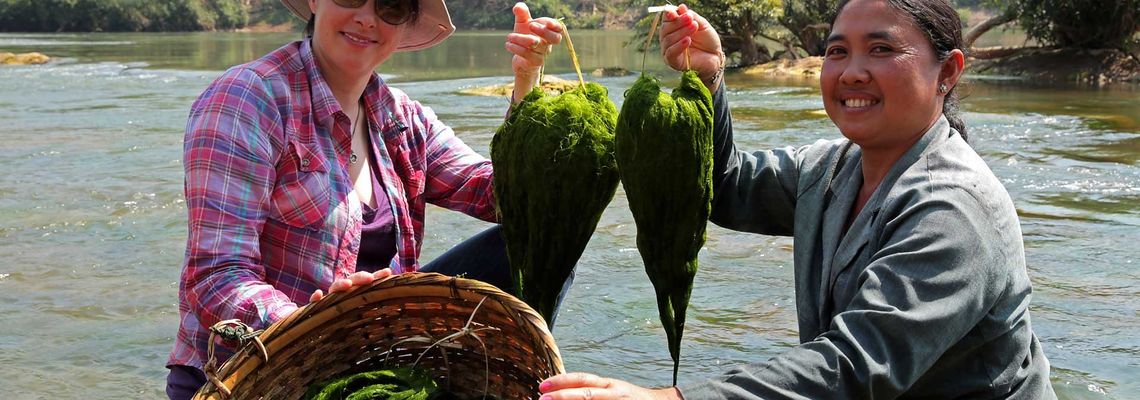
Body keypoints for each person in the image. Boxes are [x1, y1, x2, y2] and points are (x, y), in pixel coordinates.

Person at [539, 0, 1057, 398]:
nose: (852, 71)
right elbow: (723, 187)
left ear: (947, 72)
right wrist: (708, 76)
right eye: (837, 51)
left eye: (881, 50)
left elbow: (858, 366)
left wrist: (674, 396)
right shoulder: (832, 168)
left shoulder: (954, 209)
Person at [165, 1, 566, 398]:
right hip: (253, 374)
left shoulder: (400, 118)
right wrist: (319, 323)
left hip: (368, 358)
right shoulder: (248, 99)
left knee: (538, 245)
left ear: (406, 25)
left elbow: (501, 198)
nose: (366, 18)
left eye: (391, 6)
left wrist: (526, 83)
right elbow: (218, 276)